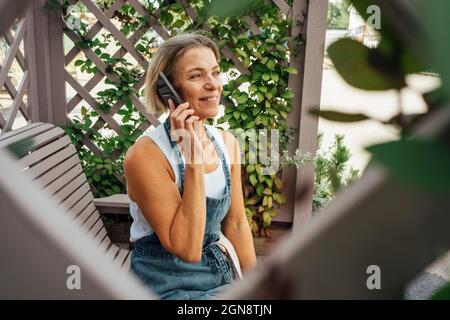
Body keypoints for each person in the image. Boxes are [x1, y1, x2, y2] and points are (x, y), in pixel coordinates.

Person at [124, 33, 257, 300]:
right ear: (169, 88)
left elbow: (237, 223)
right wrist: (193, 159)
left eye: (216, 73)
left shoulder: (227, 143)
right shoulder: (146, 155)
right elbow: (187, 248)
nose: (213, 85)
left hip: (219, 275)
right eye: (196, 76)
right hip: (164, 282)